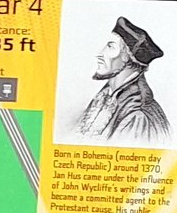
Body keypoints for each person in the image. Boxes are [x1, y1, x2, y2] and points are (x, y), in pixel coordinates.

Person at [73, 15, 171, 143]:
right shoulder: (104, 97)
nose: (100, 54)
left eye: (110, 47)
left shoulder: (136, 116)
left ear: (127, 57)